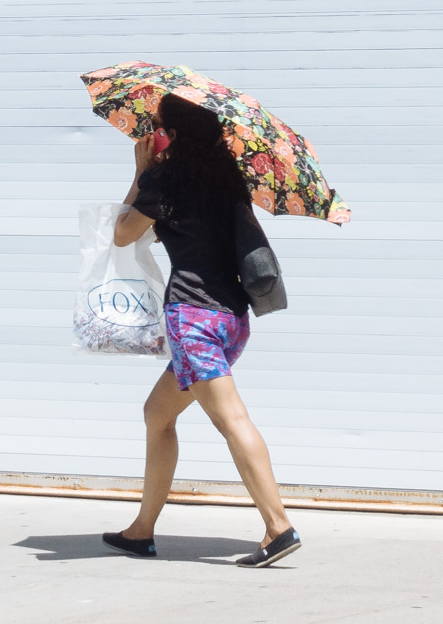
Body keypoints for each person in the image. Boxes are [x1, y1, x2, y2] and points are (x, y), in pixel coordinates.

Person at [102, 95, 301, 568]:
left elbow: (123, 233)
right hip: (231, 320)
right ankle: (141, 531)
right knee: (157, 414)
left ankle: (278, 527)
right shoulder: (227, 176)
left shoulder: (166, 178)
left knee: (231, 419)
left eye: (157, 125)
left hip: (194, 321)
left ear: (172, 132)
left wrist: (140, 172)